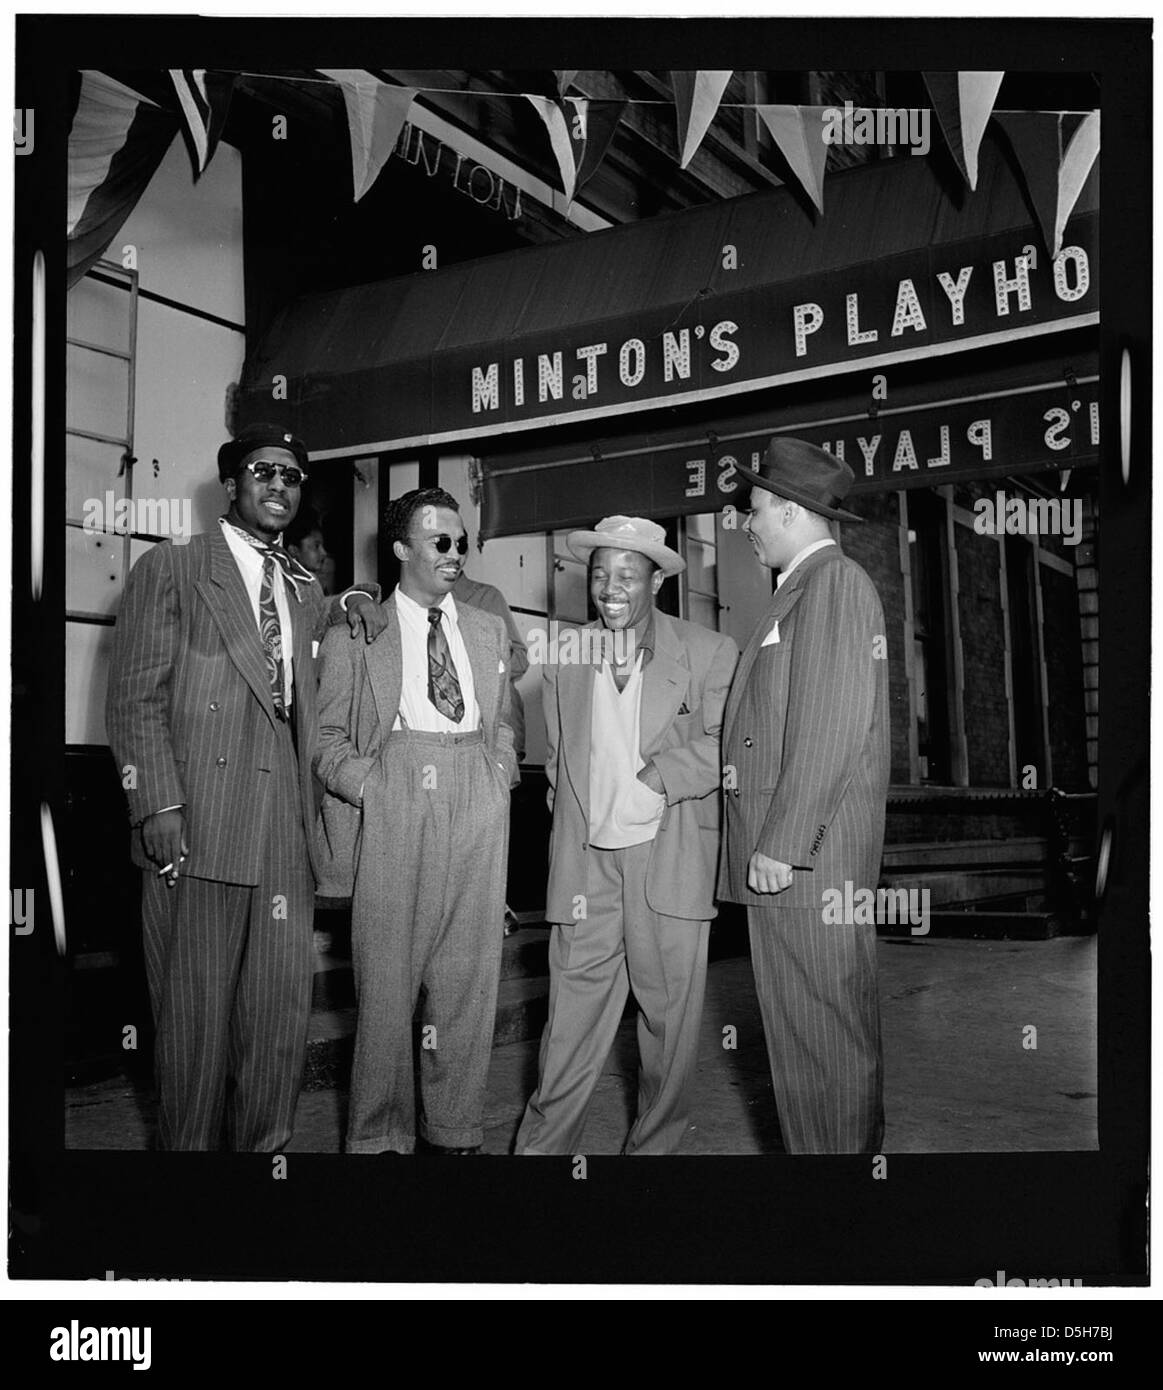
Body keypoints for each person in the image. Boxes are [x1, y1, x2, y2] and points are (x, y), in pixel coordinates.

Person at [106, 423, 386, 1151]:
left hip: (283, 836)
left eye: (291, 477)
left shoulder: (299, 583)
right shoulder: (170, 570)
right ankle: (190, 1194)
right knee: (193, 1027)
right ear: (231, 485)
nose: (278, 486)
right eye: (262, 472)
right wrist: (156, 805)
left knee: (276, 1022)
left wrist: (352, 595)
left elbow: (313, 637)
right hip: (196, 825)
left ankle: (264, 1172)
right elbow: (134, 699)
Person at [516, 516, 738, 1155]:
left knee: (667, 1034)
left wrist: (661, 775)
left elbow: (730, 743)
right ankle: (536, 1163)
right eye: (599, 574)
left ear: (657, 581)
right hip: (587, 872)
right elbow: (559, 768)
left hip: (666, 865)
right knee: (566, 1032)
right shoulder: (566, 658)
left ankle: (651, 1166)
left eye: (627, 575)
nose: (611, 589)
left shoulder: (707, 652)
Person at [314, 488, 519, 1155]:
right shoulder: (359, 629)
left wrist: (501, 767)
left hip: (476, 790)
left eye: (461, 542)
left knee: (468, 979)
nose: (455, 555)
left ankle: (454, 1129)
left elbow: (505, 713)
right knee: (385, 986)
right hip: (399, 785)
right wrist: (376, 789)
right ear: (401, 548)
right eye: (440, 542)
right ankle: (379, 1137)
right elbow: (323, 742)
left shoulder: (487, 629)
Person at [719, 437, 890, 1154]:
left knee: (820, 1040)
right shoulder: (802, 588)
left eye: (754, 509)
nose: (746, 523)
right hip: (797, 864)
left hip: (804, 864)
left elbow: (829, 724)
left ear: (789, 510)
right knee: (805, 1039)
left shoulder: (833, 585)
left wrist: (783, 844)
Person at [454, 564, 529, 935]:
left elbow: (520, 659)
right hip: (445, 739)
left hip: (492, 732)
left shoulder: (486, 597)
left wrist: (462, 655)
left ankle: (493, 905)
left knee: (489, 823)